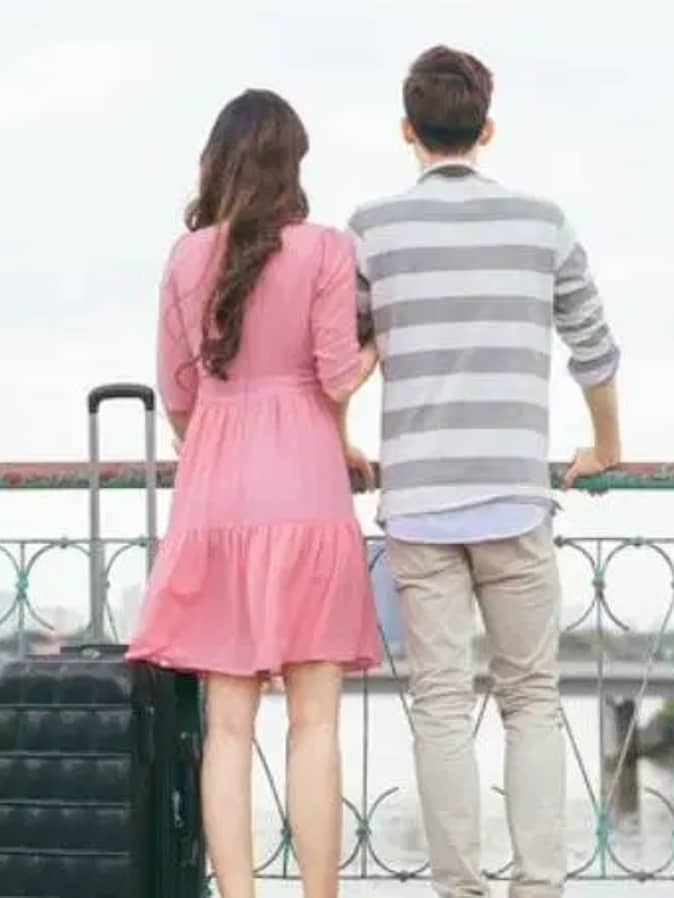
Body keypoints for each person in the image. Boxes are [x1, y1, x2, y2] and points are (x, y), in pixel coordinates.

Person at [347, 46, 621, 898]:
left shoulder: (372, 229)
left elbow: (340, 356)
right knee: (531, 700)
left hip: (418, 502)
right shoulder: (543, 222)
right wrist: (606, 446)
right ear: (487, 129)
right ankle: (539, 886)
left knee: (439, 705)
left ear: (408, 131)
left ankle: (457, 889)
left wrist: (346, 442)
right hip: (513, 494)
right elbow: (594, 346)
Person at [127, 89, 380, 898]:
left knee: (228, 729)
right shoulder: (326, 248)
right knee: (315, 724)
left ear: (219, 161)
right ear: (292, 164)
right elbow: (336, 375)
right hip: (307, 489)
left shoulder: (186, 256)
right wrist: (376, 348)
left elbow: (177, 395)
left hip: (217, 496)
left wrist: (218, 430)